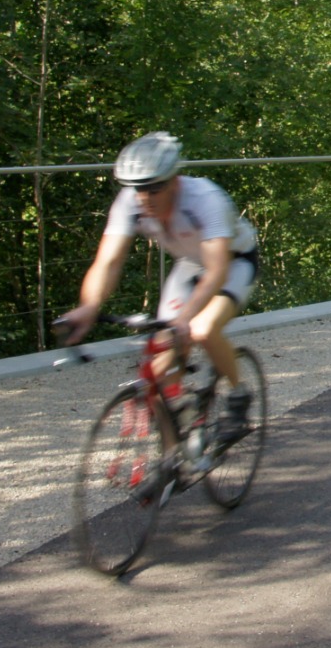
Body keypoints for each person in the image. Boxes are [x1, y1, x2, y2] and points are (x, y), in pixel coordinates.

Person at [56, 132, 260, 442]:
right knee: (161, 363)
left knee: (201, 329)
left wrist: (185, 319)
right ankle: (173, 455)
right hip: (190, 264)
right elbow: (108, 262)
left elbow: (217, 270)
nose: (145, 198)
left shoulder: (205, 199)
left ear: (175, 179)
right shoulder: (130, 203)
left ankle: (238, 396)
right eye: (138, 188)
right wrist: (89, 307)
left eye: (155, 188)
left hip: (233, 263)